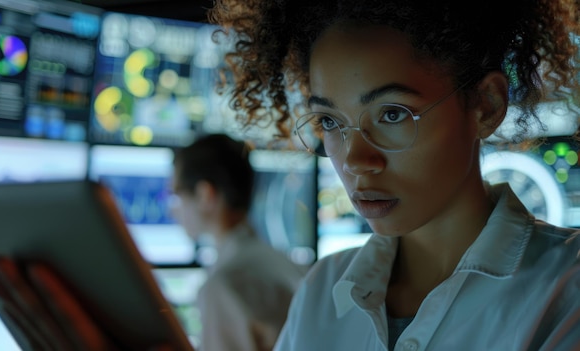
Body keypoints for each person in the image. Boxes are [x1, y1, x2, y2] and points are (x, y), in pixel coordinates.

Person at [206, 0, 580, 350]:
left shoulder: (566, 287)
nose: (355, 160)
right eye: (330, 121)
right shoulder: (324, 290)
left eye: (393, 114)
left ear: (486, 105)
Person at [170, 133, 306, 351]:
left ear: (206, 195)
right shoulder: (286, 263)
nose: (173, 209)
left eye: (176, 194)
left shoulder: (223, 285)